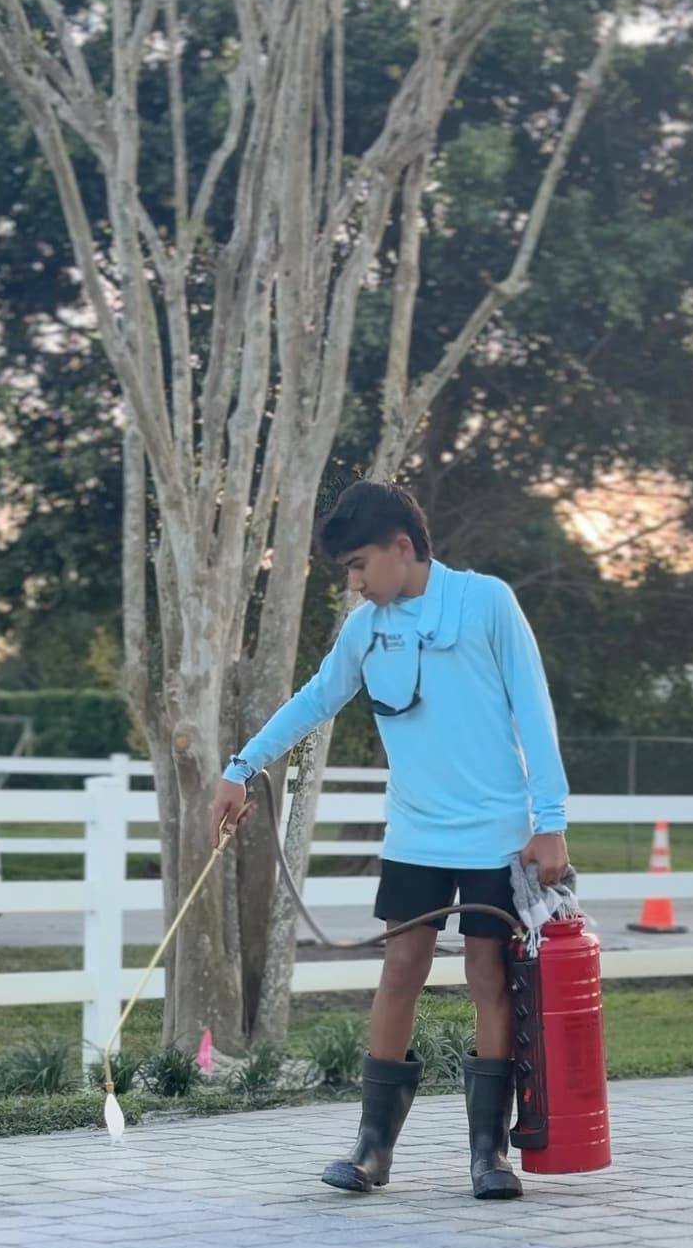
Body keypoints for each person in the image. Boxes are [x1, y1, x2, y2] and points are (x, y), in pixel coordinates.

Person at [209, 479, 569, 1201]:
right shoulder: (366, 626)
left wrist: (550, 821)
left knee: (488, 978)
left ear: (403, 548)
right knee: (400, 969)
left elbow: (535, 706)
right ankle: (372, 1150)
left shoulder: (486, 602)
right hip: (416, 831)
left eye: (360, 565)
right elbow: (318, 697)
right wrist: (242, 767)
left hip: (497, 834)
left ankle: (487, 1154)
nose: (355, 581)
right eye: (347, 570)